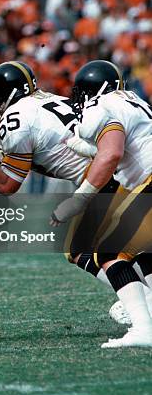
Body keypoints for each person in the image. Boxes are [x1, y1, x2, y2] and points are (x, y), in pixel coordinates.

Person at [0, 61, 152, 338]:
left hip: (103, 179)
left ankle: (140, 305)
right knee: (126, 248)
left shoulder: (16, 117)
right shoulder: (51, 99)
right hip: (117, 176)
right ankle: (141, 301)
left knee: (94, 250)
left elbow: (8, 183)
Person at [51, 60, 152, 348]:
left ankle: (144, 330)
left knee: (107, 249)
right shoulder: (132, 100)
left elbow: (111, 154)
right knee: (143, 252)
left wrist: (78, 199)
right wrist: (84, 147)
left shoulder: (103, 106)